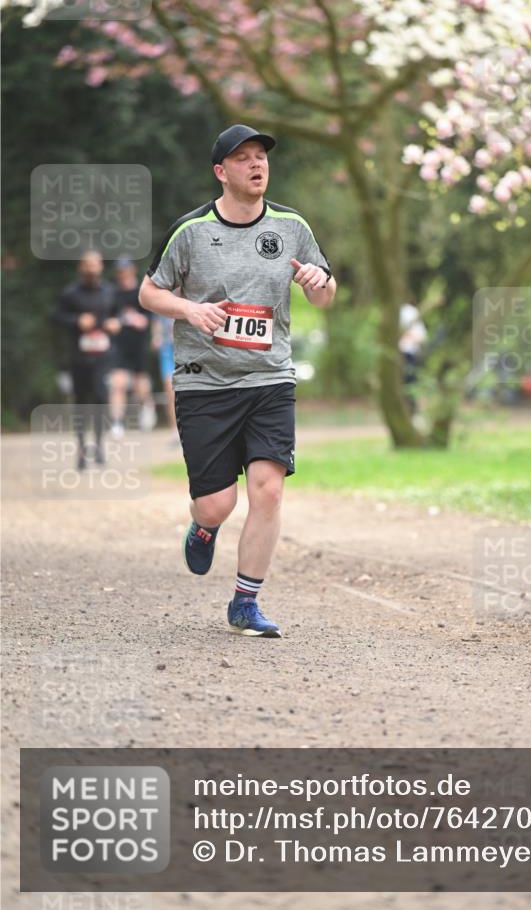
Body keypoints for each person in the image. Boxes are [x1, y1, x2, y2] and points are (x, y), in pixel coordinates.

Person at [138, 124, 336, 637]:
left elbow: (324, 292)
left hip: (270, 378)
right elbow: (149, 293)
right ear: (221, 172)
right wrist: (190, 309)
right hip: (204, 383)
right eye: (243, 158)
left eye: (261, 157)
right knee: (218, 502)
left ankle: (245, 602)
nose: (257, 165)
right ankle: (204, 527)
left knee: (267, 491)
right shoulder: (191, 231)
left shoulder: (293, 227)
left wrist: (320, 283)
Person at [51, 250, 121, 469]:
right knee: (81, 402)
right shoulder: (70, 294)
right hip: (79, 357)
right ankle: (81, 449)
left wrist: (115, 323)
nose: (92, 268)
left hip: (103, 357)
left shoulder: (110, 291)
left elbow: (119, 315)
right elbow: (55, 316)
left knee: (101, 399)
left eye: (95, 264)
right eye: (87, 264)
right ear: (81, 268)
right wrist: (76, 320)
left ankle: (99, 447)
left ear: (101, 267)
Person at [109, 257, 155, 437]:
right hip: (119, 345)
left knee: (140, 383)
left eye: (125, 269)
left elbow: (148, 318)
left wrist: (140, 321)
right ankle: (117, 422)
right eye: (119, 270)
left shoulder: (142, 291)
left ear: (132, 269)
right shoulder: (112, 293)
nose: (122, 273)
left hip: (138, 344)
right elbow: (108, 318)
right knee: (118, 384)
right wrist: (111, 323)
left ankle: (147, 405)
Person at [151, 313, 178, 440]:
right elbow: (156, 319)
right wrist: (156, 336)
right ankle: (175, 429)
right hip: (168, 349)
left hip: (187, 348)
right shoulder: (164, 294)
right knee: (170, 390)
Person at [399, 300, 427, 414]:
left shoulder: (410, 312)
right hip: (398, 354)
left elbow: (421, 336)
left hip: (409, 354)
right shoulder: (391, 312)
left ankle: (413, 411)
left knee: (411, 383)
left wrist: (407, 335)